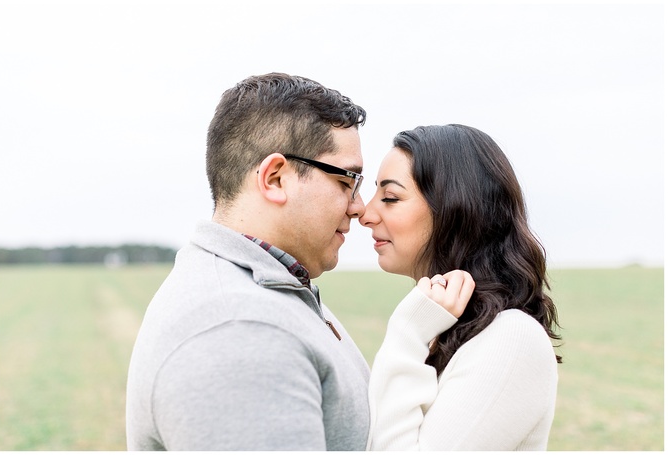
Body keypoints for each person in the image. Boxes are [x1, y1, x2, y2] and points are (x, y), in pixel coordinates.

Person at [126, 73, 371, 450]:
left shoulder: (266, 288)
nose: (359, 207)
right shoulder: (240, 331)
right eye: (346, 180)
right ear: (274, 178)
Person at [360, 124, 562, 450]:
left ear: (455, 207)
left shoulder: (511, 338)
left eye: (390, 197)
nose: (366, 214)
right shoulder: (442, 327)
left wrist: (406, 335)